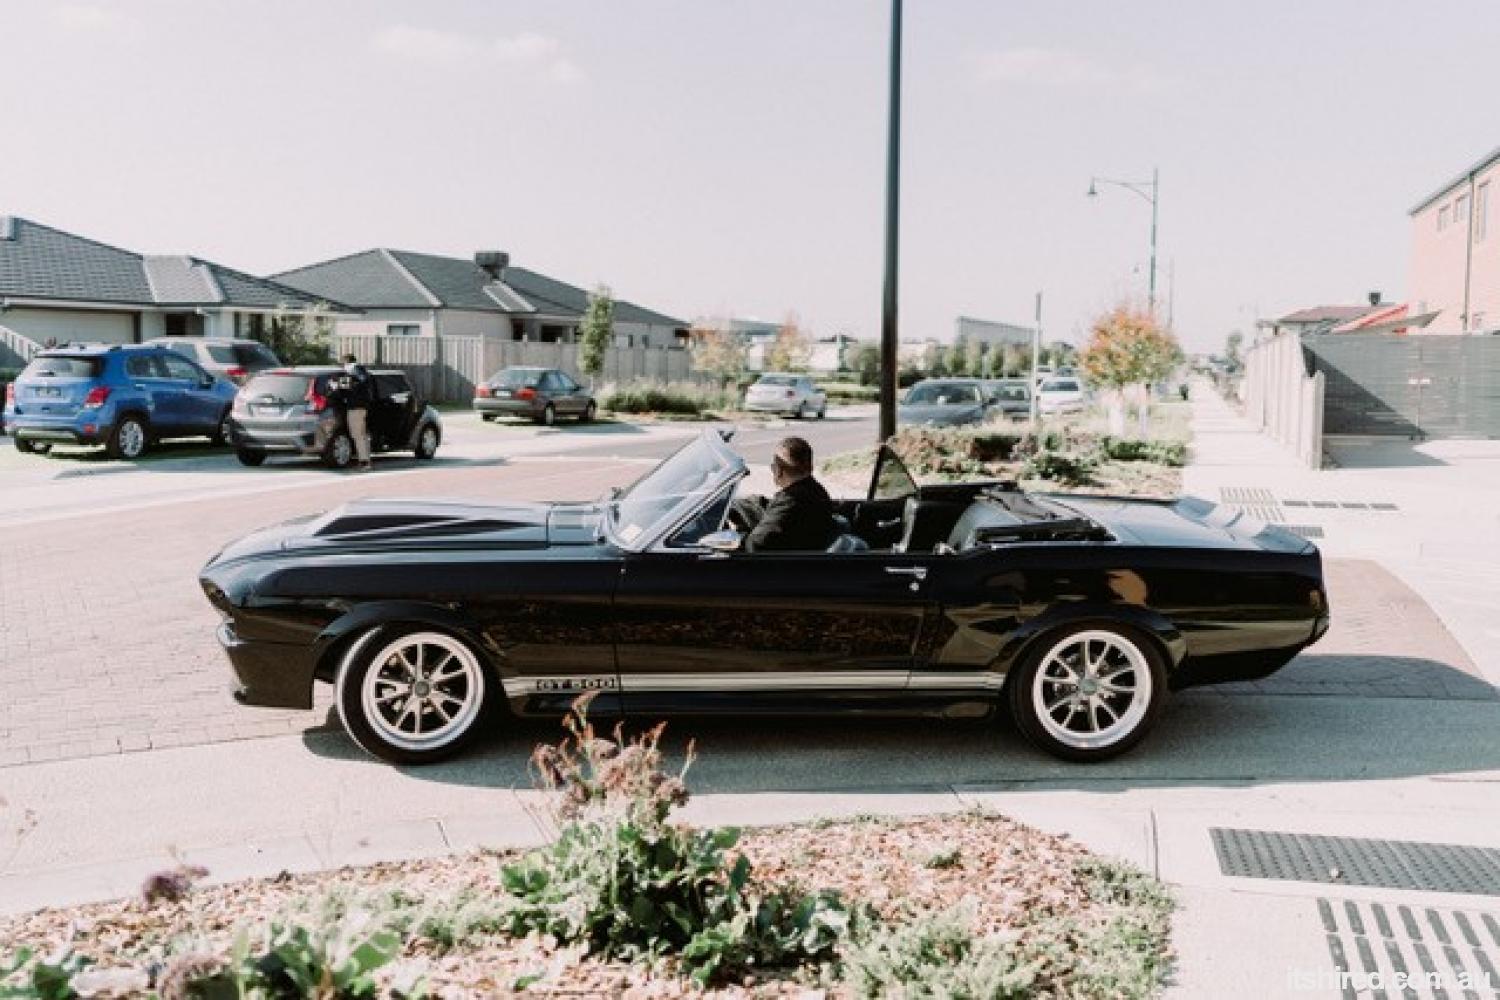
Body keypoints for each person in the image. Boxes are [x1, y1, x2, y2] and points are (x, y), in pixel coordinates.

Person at [729, 436, 838, 552]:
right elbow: (775, 511)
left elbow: (755, 545)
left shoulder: (792, 500)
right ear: (810, 467)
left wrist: (738, 533)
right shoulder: (815, 491)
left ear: (779, 471)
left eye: (773, 467)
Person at [331, 354, 373, 471]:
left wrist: (341, 385)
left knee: (357, 435)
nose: (343, 367)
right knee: (361, 435)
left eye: (343, 363)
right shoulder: (357, 372)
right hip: (359, 407)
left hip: (356, 408)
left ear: (347, 362)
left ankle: (364, 462)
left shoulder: (356, 370)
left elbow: (360, 382)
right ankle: (365, 460)